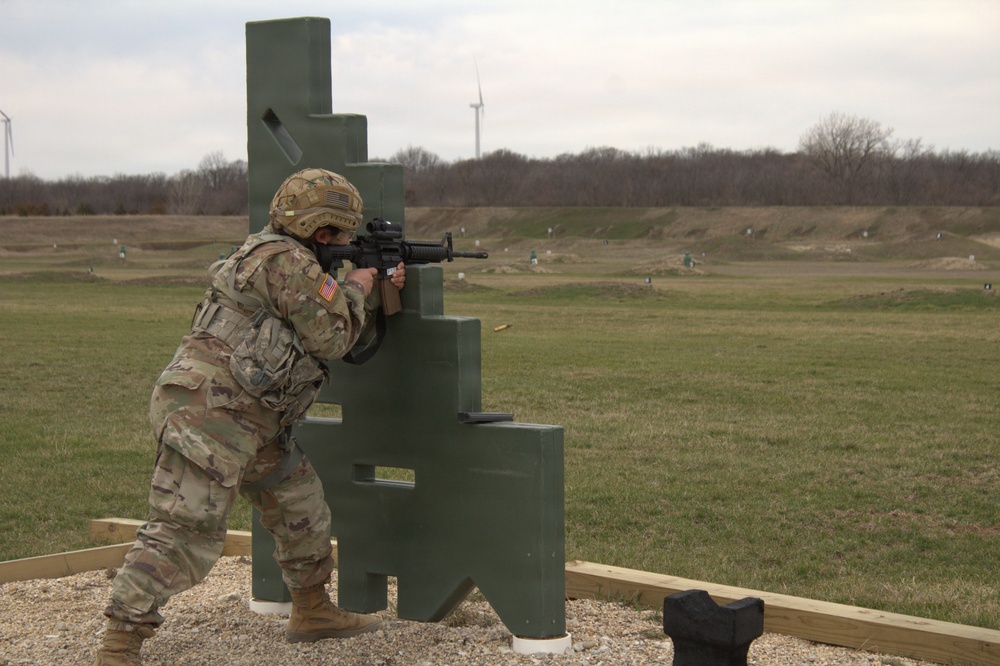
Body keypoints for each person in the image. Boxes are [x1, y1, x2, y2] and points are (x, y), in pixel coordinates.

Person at [94, 168, 405, 665]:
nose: (347, 242)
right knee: (184, 530)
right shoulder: (290, 264)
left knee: (298, 502)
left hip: (245, 411)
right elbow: (332, 339)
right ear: (320, 231)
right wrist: (358, 288)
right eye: (343, 234)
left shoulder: (266, 251)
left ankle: (311, 610)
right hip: (211, 415)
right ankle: (119, 643)